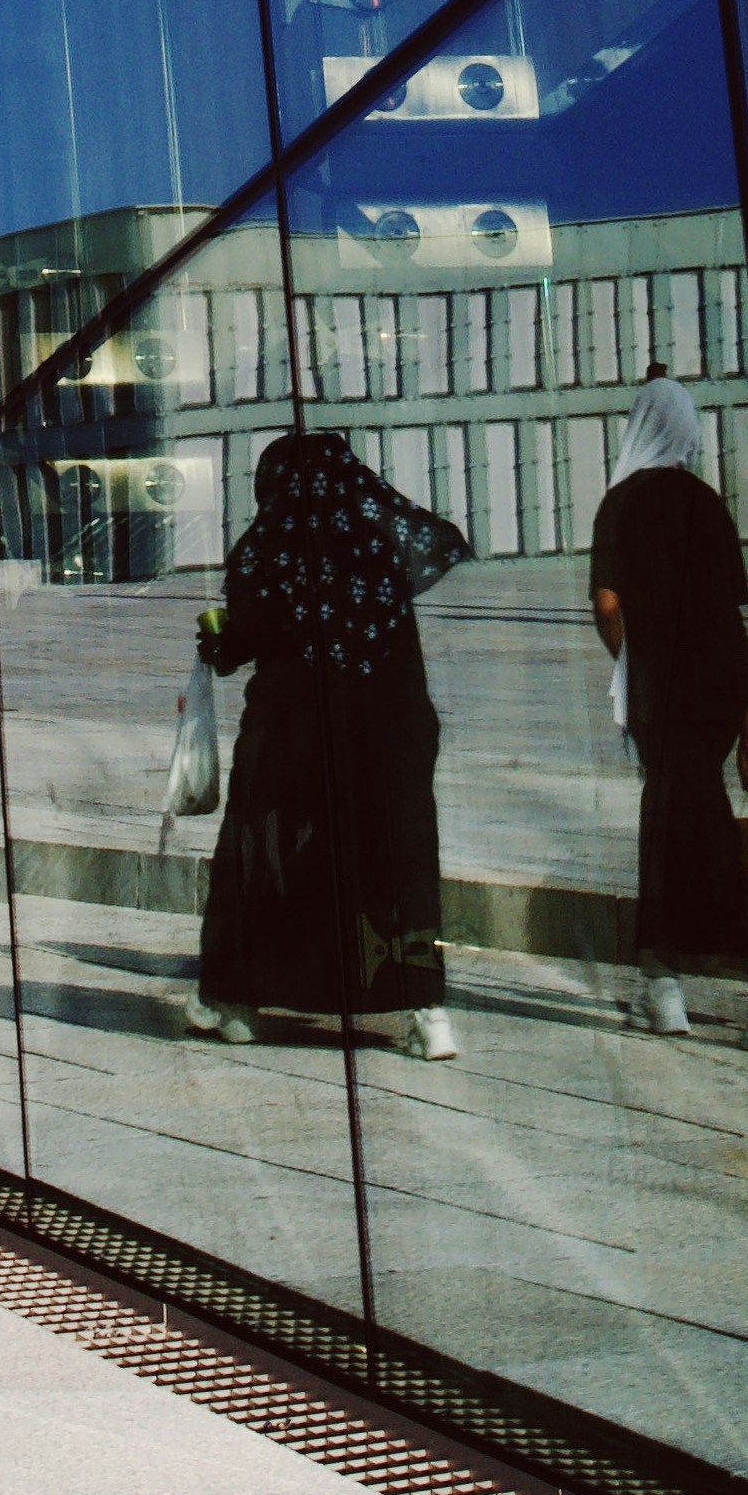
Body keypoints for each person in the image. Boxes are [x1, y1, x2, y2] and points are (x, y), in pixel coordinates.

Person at [186, 430, 470, 1060]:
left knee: (267, 858)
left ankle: (237, 1002)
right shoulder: (380, 542)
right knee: (397, 868)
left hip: (295, 748)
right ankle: (427, 1014)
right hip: (389, 743)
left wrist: (217, 644)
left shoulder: (273, 547)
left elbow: (242, 637)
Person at [588, 372, 748, 1050]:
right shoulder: (709, 504)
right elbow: (732, 622)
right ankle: (660, 979)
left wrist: (628, 667)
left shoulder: (620, 503)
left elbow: (608, 604)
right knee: (669, 813)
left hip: (664, 687)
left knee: (691, 818)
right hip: (724, 685)